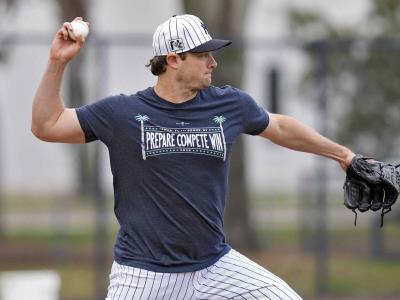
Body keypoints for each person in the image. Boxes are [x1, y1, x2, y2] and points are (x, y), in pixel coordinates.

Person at [32, 14, 355, 300]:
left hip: (215, 266)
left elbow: (281, 127)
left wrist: (344, 156)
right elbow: (48, 125)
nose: (212, 62)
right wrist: (58, 61)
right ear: (173, 59)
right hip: (145, 275)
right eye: (202, 54)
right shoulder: (122, 113)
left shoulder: (229, 104)